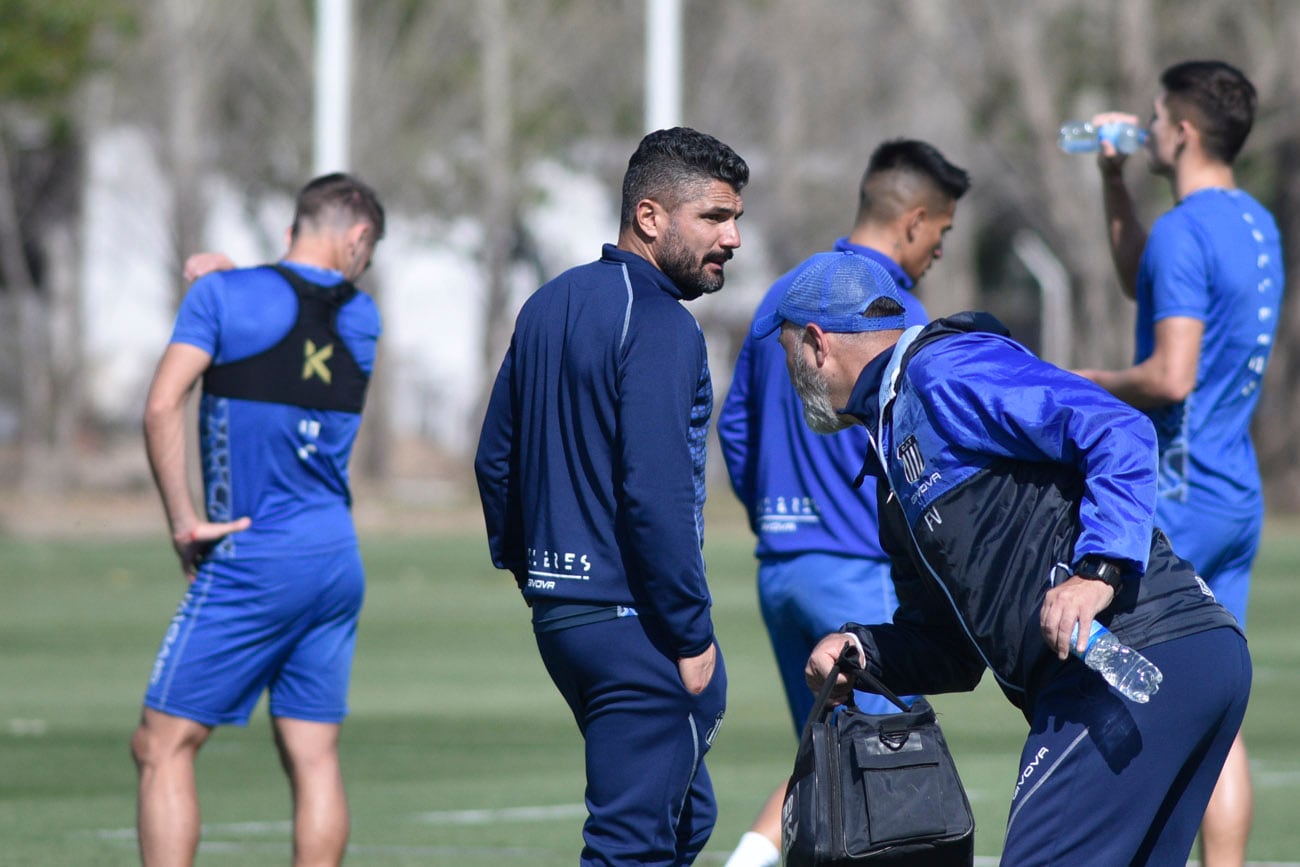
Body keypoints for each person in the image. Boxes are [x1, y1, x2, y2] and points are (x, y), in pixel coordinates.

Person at [764, 250, 1249, 865]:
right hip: (1167, 662)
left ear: (816, 342)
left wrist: (1097, 573)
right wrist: (861, 652)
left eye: (786, 355)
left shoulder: (942, 368)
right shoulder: (890, 459)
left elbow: (1120, 431)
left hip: (1136, 655)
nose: (790, 377)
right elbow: (952, 650)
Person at [474, 127, 746, 866]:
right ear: (650, 217)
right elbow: (653, 493)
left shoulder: (546, 303)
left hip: (565, 619)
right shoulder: (662, 324)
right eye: (715, 218)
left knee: (687, 816)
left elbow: (495, 461)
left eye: (736, 219)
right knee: (630, 845)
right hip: (636, 623)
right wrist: (690, 635)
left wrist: (534, 573)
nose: (733, 238)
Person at [717, 139, 970, 867]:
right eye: (943, 235)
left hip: (781, 568)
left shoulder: (782, 297)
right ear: (915, 221)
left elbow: (736, 425)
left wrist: (775, 514)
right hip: (859, 573)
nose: (939, 253)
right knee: (891, 771)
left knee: (825, 762)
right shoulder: (895, 313)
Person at [132, 173, 385, 867]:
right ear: (357, 239)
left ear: (293, 228)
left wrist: (184, 520)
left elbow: (161, 406)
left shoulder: (223, 298)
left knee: (161, 744)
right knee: (312, 753)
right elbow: (303, 311)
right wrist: (241, 279)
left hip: (255, 554)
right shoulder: (364, 321)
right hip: (335, 559)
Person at [1074, 60, 1282, 867]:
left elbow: (1170, 375)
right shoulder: (1254, 224)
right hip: (1236, 496)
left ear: (1183, 131)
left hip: (1182, 498)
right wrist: (1114, 183)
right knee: (1217, 705)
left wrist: (1089, 385)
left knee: (1119, 689)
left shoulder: (1185, 231)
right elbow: (1146, 279)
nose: (1148, 126)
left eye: (1157, 117)